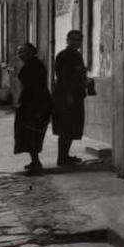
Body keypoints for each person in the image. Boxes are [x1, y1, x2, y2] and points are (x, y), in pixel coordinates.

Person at [13, 42, 53, 174]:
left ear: (31, 52)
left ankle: (36, 164)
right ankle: (34, 161)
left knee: (33, 134)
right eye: (18, 52)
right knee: (28, 134)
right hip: (31, 104)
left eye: (22, 51)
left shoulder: (35, 66)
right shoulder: (30, 65)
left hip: (37, 105)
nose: (20, 54)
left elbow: (34, 88)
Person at [52, 29, 88, 167]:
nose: (75, 42)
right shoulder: (63, 55)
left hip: (76, 96)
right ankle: (62, 158)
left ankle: (65, 156)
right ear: (67, 40)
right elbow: (63, 78)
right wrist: (68, 95)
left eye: (78, 40)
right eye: (72, 39)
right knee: (66, 128)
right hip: (66, 96)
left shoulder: (76, 55)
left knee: (71, 127)